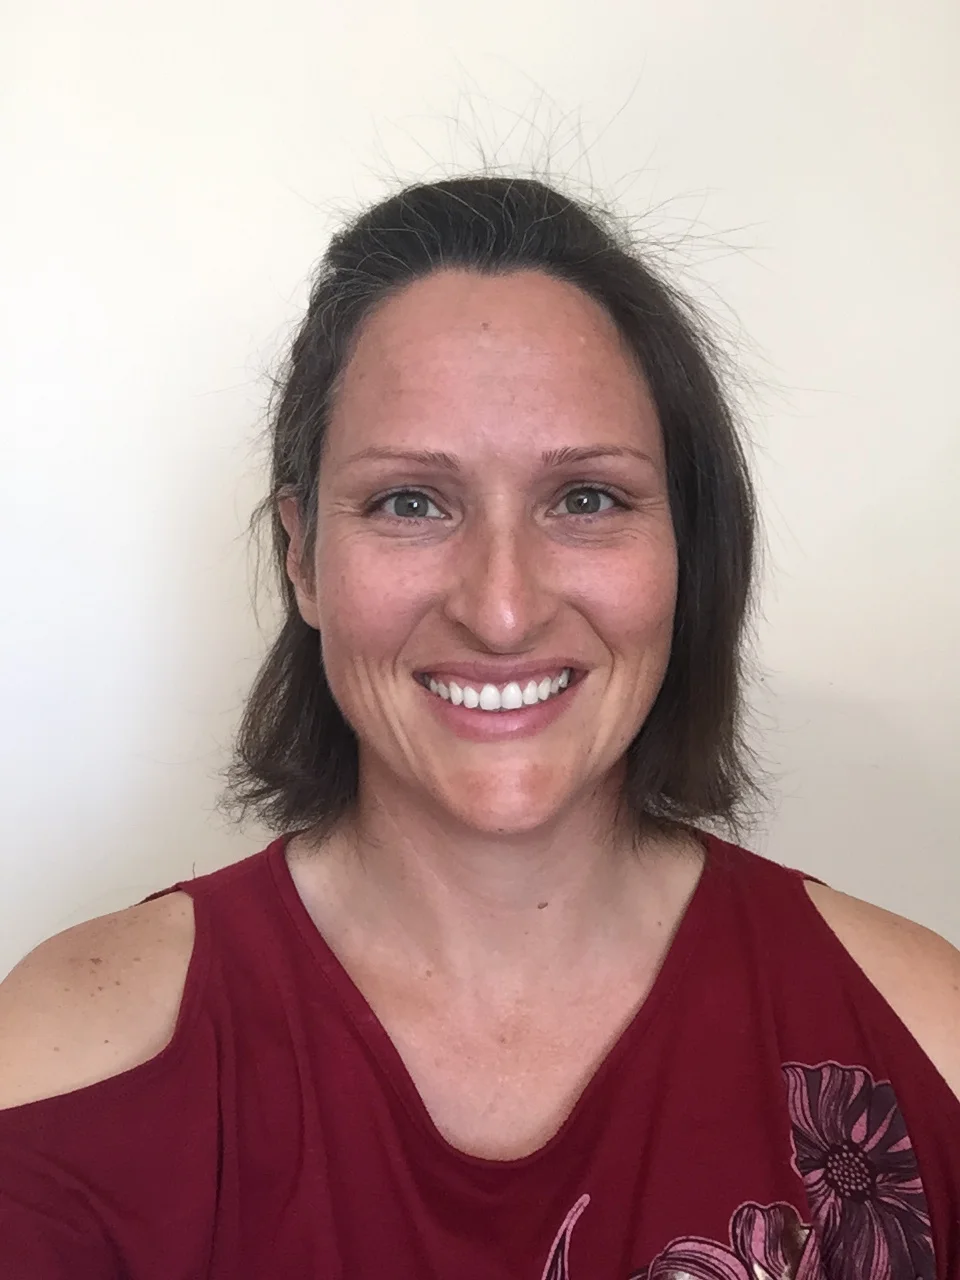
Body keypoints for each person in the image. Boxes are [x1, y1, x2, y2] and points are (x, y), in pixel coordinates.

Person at [0, 175, 957, 1280]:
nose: (501, 609)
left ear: (687, 547)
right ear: (302, 556)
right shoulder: (63, 1071)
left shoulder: (928, 1038)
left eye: (586, 498)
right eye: (411, 502)